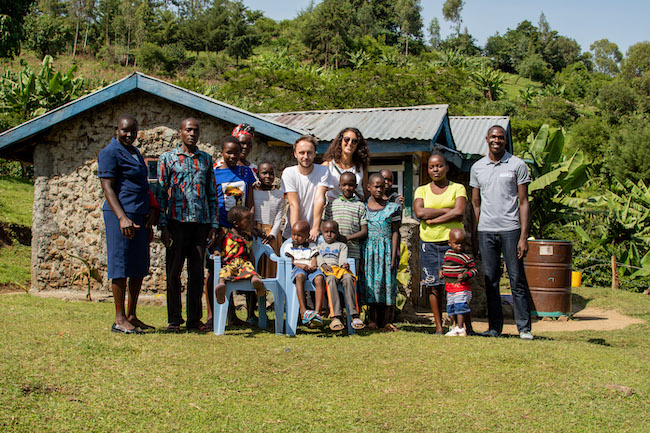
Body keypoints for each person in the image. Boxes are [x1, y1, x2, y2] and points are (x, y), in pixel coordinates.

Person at [471, 125, 533, 340]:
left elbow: (523, 202)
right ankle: (494, 328)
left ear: (505, 141)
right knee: (491, 280)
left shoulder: (517, 165)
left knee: (516, 279)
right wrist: (475, 235)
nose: (497, 140)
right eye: (493, 137)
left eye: (501, 137)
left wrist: (523, 236)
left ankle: (524, 328)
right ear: (486, 139)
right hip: (486, 231)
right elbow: (476, 204)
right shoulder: (477, 167)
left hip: (511, 230)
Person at [98, 114, 158, 334]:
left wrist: (151, 208)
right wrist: (122, 217)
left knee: (138, 266)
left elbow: (143, 185)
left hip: (140, 216)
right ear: (116, 129)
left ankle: (132, 315)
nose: (129, 135)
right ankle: (119, 318)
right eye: (125, 130)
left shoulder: (135, 153)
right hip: (120, 216)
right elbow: (108, 187)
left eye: (133, 131)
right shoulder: (109, 153)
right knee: (121, 266)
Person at [157, 118, 218, 333]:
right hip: (176, 223)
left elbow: (212, 194)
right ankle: (174, 319)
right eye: (188, 130)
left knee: (196, 273)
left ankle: (194, 319)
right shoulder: (168, 159)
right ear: (180, 132)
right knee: (173, 272)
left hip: (200, 225)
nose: (192, 134)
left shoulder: (206, 160)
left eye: (196, 130)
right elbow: (162, 193)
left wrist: (213, 224)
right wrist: (163, 225)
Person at [205, 136, 257, 329]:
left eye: (236, 152)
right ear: (222, 152)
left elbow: (250, 201)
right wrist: (214, 227)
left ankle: (234, 316)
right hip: (221, 230)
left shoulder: (246, 172)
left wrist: (249, 225)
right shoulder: (216, 174)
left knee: (239, 266)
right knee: (215, 269)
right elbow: (213, 201)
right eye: (229, 152)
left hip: (241, 231)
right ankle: (212, 315)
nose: (233, 156)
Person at [413, 150, 467, 335]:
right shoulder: (421, 190)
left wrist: (434, 219)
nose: (436, 169)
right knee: (432, 284)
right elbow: (420, 213)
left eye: (439, 165)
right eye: (431, 166)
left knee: (456, 285)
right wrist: (447, 210)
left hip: (452, 243)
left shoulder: (457, 188)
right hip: (429, 243)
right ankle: (438, 327)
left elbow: (459, 211)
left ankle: (458, 325)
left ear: (447, 167)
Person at [362, 173, 401, 332]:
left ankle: (386, 321)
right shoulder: (363, 207)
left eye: (382, 186)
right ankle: (372, 320)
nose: (379, 189)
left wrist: (393, 256)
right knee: (371, 285)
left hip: (386, 250)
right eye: (376, 186)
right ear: (369, 187)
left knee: (387, 284)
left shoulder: (393, 207)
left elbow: (395, 232)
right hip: (369, 250)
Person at [281, 135, 332, 242]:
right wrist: (297, 234)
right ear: (295, 154)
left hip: (314, 233)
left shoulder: (323, 171)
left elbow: (319, 199)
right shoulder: (289, 173)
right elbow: (294, 204)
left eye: (309, 152)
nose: (305, 156)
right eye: (301, 153)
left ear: (315, 154)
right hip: (293, 233)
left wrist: (315, 228)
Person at [317, 220, 364, 331]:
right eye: (326, 232)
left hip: (338, 269)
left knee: (349, 278)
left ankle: (354, 315)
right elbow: (318, 258)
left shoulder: (342, 246)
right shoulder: (319, 246)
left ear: (337, 233)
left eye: (332, 232)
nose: (329, 235)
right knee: (331, 279)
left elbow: (343, 258)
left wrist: (344, 265)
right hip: (327, 271)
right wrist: (323, 265)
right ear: (322, 233)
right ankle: (336, 317)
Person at [214, 206, 266, 305]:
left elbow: (250, 252)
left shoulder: (248, 236)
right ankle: (221, 286)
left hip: (244, 263)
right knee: (225, 272)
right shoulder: (225, 233)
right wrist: (217, 251)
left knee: (251, 271)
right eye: (248, 221)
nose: (251, 223)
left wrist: (254, 266)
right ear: (236, 224)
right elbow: (218, 244)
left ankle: (256, 282)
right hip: (229, 263)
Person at [322, 172, 368, 274]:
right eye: (344, 185)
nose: (347, 188)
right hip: (333, 252)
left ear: (356, 186)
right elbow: (323, 225)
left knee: (350, 280)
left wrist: (347, 238)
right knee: (332, 278)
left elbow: (364, 231)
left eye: (351, 185)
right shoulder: (332, 204)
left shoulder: (360, 206)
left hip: (353, 251)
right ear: (339, 186)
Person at [285, 220, 326, 327]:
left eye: (299, 235)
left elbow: (314, 257)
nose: (295, 237)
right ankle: (303, 311)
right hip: (298, 268)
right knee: (300, 276)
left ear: (307, 236)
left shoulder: (311, 245)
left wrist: (313, 265)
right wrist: (301, 266)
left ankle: (317, 313)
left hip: (310, 268)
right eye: (293, 234)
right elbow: (290, 261)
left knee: (320, 278)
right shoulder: (289, 246)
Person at [441, 228, 478, 337]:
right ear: (449, 243)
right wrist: (441, 271)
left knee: (460, 306)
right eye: (456, 243)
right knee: (452, 307)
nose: (460, 246)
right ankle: (456, 326)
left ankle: (461, 328)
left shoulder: (466, 257)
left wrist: (466, 275)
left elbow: (474, 270)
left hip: (462, 288)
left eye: (462, 244)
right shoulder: (448, 254)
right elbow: (445, 265)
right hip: (450, 287)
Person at [253, 161, 285, 277]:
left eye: (271, 173)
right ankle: (254, 294)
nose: (268, 176)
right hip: (256, 232)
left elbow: (278, 216)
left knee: (271, 264)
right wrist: (253, 230)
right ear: (257, 174)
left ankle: (270, 293)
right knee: (257, 263)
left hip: (271, 234)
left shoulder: (279, 194)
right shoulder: (253, 192)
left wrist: (272, 234)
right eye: (264, 173)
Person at [322, 127, 370, 201]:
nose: (350, 143)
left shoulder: (361, 167)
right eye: (347, 139)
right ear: (340, 141)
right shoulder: (327, 166)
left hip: (356, 209)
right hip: (334, 209)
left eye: (354, 141)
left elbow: (366, 193)